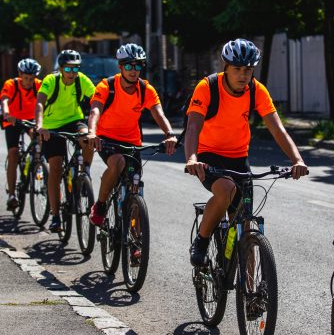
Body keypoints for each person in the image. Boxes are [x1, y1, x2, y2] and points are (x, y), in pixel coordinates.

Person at [185, 38, 309, 266]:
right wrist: (192, 158)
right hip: (208, 156)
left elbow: (277, 128)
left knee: (245, 229)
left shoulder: (256, 91)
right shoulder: (208, 87)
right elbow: (193, 126)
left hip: (239, 159)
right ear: (226, 67)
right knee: (226, 190)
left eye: (248, 70)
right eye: (237, 69)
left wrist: (297, 159)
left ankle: (252, 295)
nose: (243, 75)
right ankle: (202, 240)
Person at [87, 43, 177, 227]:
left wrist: (169, 134)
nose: (133, 70)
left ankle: (136, 242)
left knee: (134, 187)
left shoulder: (146, 89)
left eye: (138, 65)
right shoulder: (107, 86)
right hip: (106, 139)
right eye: (128, 65)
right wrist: (91, 132)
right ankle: (101, 205)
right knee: (117, 162)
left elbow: (158, 113)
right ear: (120, 67)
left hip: (132, 142)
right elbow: (95, 111)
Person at [35, 50, 95, 232]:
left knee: (88, 137)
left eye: (75, 68)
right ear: (60, 68)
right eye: (68, 68)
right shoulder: (50, 81)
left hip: (73, 121)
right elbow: (39, 104)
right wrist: (40, 126)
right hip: (51, 126)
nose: (72, 72)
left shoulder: (81, 80)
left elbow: (97, 100)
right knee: (56, 167)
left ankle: (85, 171)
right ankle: (55, 216)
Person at [1, 58, 42, 210]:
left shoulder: (39, 85)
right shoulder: (11, 84)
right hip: (13, 120)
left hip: (31, 119)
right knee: (13, 153)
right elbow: (4, 100)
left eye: (32, 78)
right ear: (20, 75)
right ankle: (12, 195)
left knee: (38, 136)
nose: (29, 81)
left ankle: (38, 162)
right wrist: (6, 113)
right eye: (26, 78)